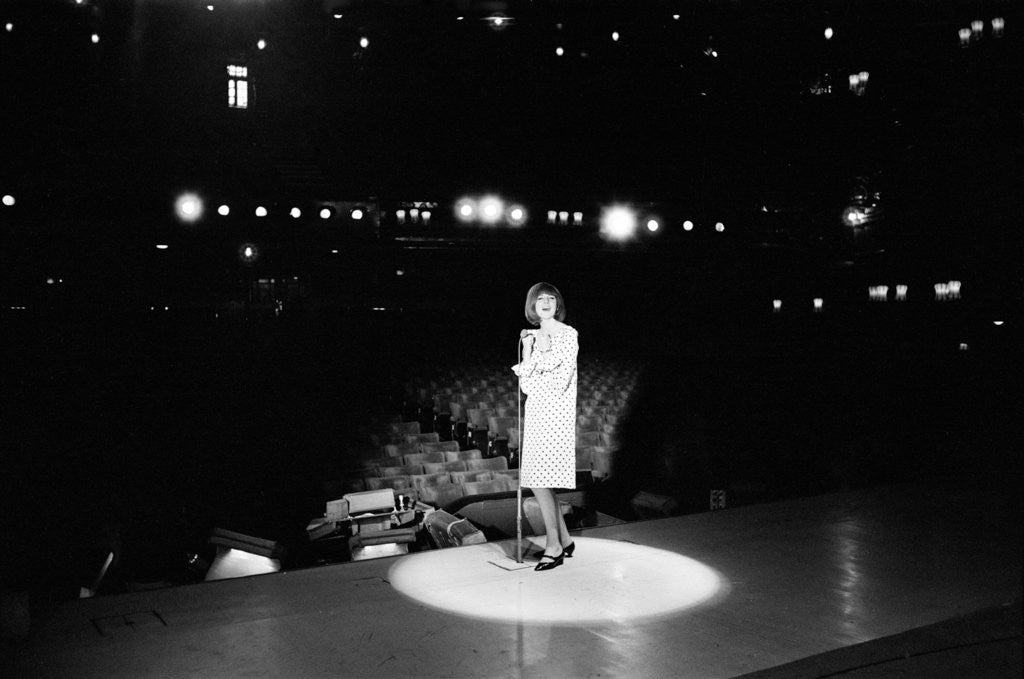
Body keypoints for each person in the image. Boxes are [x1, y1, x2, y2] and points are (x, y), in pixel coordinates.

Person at [512, 282, 578, 571]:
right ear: (533, 305)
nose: (547, 303)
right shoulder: (531, 338)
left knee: (540, 482)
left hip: (556, 416)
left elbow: (559, 381)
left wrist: (546, 351)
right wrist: (530, 349)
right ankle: (564, 540)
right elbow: (526, 384)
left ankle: (553, 547)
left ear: (558, 304)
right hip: (537, 415)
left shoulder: (568, 334)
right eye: (541, 299)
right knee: (541, 480)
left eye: (552, 298)